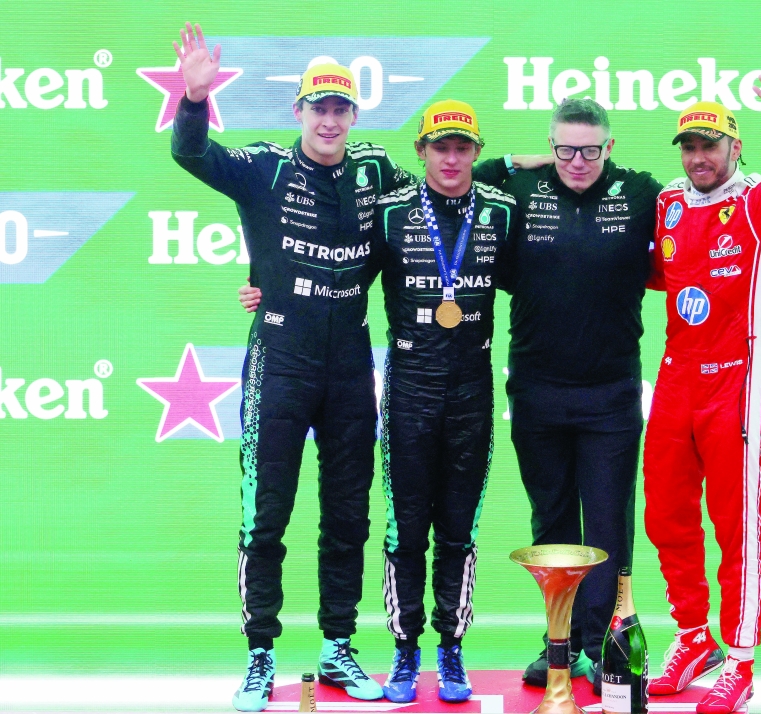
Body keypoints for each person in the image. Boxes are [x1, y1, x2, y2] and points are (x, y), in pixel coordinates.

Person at [168, 24, 411, 712]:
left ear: (354, 116)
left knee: (348, 517)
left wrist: (526, 166)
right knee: (265, 515)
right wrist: (193, 97)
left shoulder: (375, 171)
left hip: (347, 369)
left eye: (340, 108)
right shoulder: (266, 167)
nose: (329, 119)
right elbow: (191, 153)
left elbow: (439, 194)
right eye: (317, 107)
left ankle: (338, 647)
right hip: (280, 360)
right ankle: (260, 654)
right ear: (298, 112)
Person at [642, 74, 761, 713]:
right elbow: (638, 268)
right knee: (664, 513)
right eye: (690, 146)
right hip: (675, 377)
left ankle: (740, 661)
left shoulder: (759, 204)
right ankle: (693, 636)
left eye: (711, 146)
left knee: (737, 525)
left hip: (736, 383)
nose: (700, 157)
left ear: (735, 147)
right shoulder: (667, 203)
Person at [473, 98, 662, 692]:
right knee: (552, 523)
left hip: (609, 394)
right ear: (548, 145)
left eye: (589, 149)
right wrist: (520, 160)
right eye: (563, 148)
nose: (575, 161)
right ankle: (559, 646)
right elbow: (457, 179)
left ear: (610, 147)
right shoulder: (521, 190)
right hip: (537, 392)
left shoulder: (640, 193)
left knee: (607, 526)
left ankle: (605, 643)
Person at [375, 100, 518, 704]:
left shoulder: (502, 212)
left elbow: (549, 274)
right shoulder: (387, 214)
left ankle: (451, 648)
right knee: (406, 529)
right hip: (408, 385)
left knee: (458, 530)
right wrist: (263, 284)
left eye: (463, 148)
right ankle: (405, 650)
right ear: (421, 151)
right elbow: (331, 267)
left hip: (470, 390)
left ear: (477, 153)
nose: (452, 158)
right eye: (441, 147)